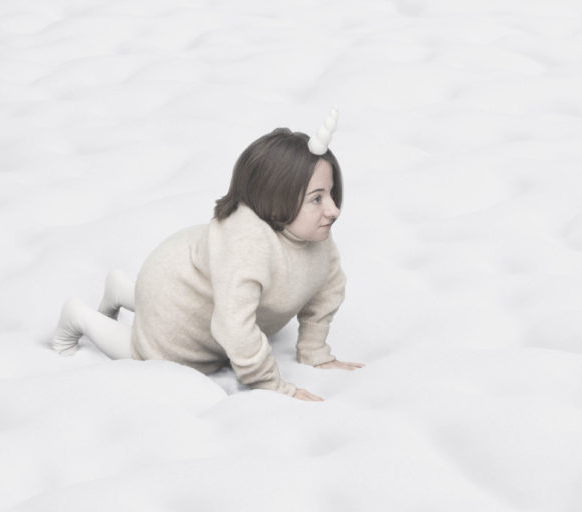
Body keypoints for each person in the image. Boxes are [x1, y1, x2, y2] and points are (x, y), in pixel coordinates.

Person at [51, 109, 363, 401]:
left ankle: (121, 289)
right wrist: (271, 384)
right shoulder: (249, 247)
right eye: (317, 199)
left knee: (205, 303)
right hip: (174, 295)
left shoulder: (316, 240)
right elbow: (233, 328)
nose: (333, 210)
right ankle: (79, 316)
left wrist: (315, 352)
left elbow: (327, 289)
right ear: (276, 199)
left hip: (191, 285)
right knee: (156, 357)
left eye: (331, 194)